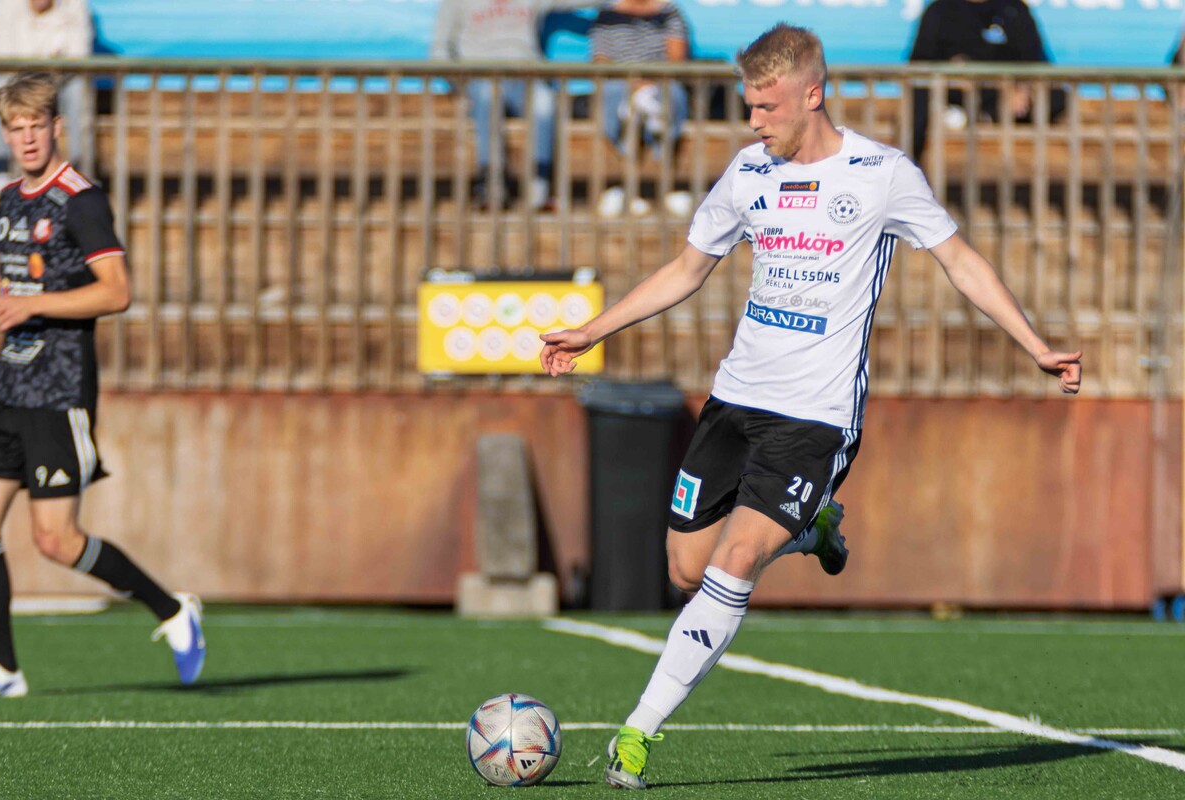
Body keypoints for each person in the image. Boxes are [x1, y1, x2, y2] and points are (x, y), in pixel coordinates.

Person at [539, 23, 1081, 790]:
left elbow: (960, 261)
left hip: (816, 416)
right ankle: (811, 526)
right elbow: (687, 269)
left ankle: (636, 735)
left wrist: (1035, 345)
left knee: (734, 561)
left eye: (767, 106)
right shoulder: (748, 172)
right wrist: (594, 330)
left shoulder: (881, 174)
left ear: (813, 94)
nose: (753, 120)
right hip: (735, 400)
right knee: (686, 569)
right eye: (748, 105)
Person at [0, 73, 204, 698]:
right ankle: (5, 669)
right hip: (7, 387)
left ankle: (171, 609)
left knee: (55, 541)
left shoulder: (80, 200)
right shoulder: (8, 198)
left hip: (59, 392)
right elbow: (22, 281)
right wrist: (2, 294)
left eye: (37, 125)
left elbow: (116, 291)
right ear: (5, 135)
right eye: (16, 128)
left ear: (58, 127)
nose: (28, 138)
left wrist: (32, 305)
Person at [430, 0, 601, 210]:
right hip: (480, 76)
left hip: (527, 75)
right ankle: (491, 185)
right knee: (488, 97)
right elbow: (440, 47)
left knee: (544, 103)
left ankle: (539, 186)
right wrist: (459, 85)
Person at [907, 0, 1065, 162]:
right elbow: (919, 64)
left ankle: (983, 116)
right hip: (956, 92)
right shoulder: (939, 10)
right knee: (920, 96)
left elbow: (1036, 62)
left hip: (1004, 95)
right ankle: (909, 163)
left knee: (1056, 98)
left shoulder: (1014, 9)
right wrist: (952, 75)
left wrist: (1022, 87)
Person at [0, 0, 94, 210]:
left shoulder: (76, 5)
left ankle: (81, 173)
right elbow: (0, 55)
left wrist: (36, 67)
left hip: (58, 83)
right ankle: (0, 173)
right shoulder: (4, 5)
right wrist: (50, 60)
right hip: (18, 84)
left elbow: (80, 55)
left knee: (79, 87)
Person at [590, 0, 692, 218]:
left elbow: (676, 60)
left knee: (671, 96)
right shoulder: (607, 15)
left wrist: (647, 83)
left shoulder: (670, 12)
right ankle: (629, 188)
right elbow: (600, 61)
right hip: (620, 83)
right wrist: (633, 83)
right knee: (612, 96)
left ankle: (635, 189)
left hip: (660, 82)